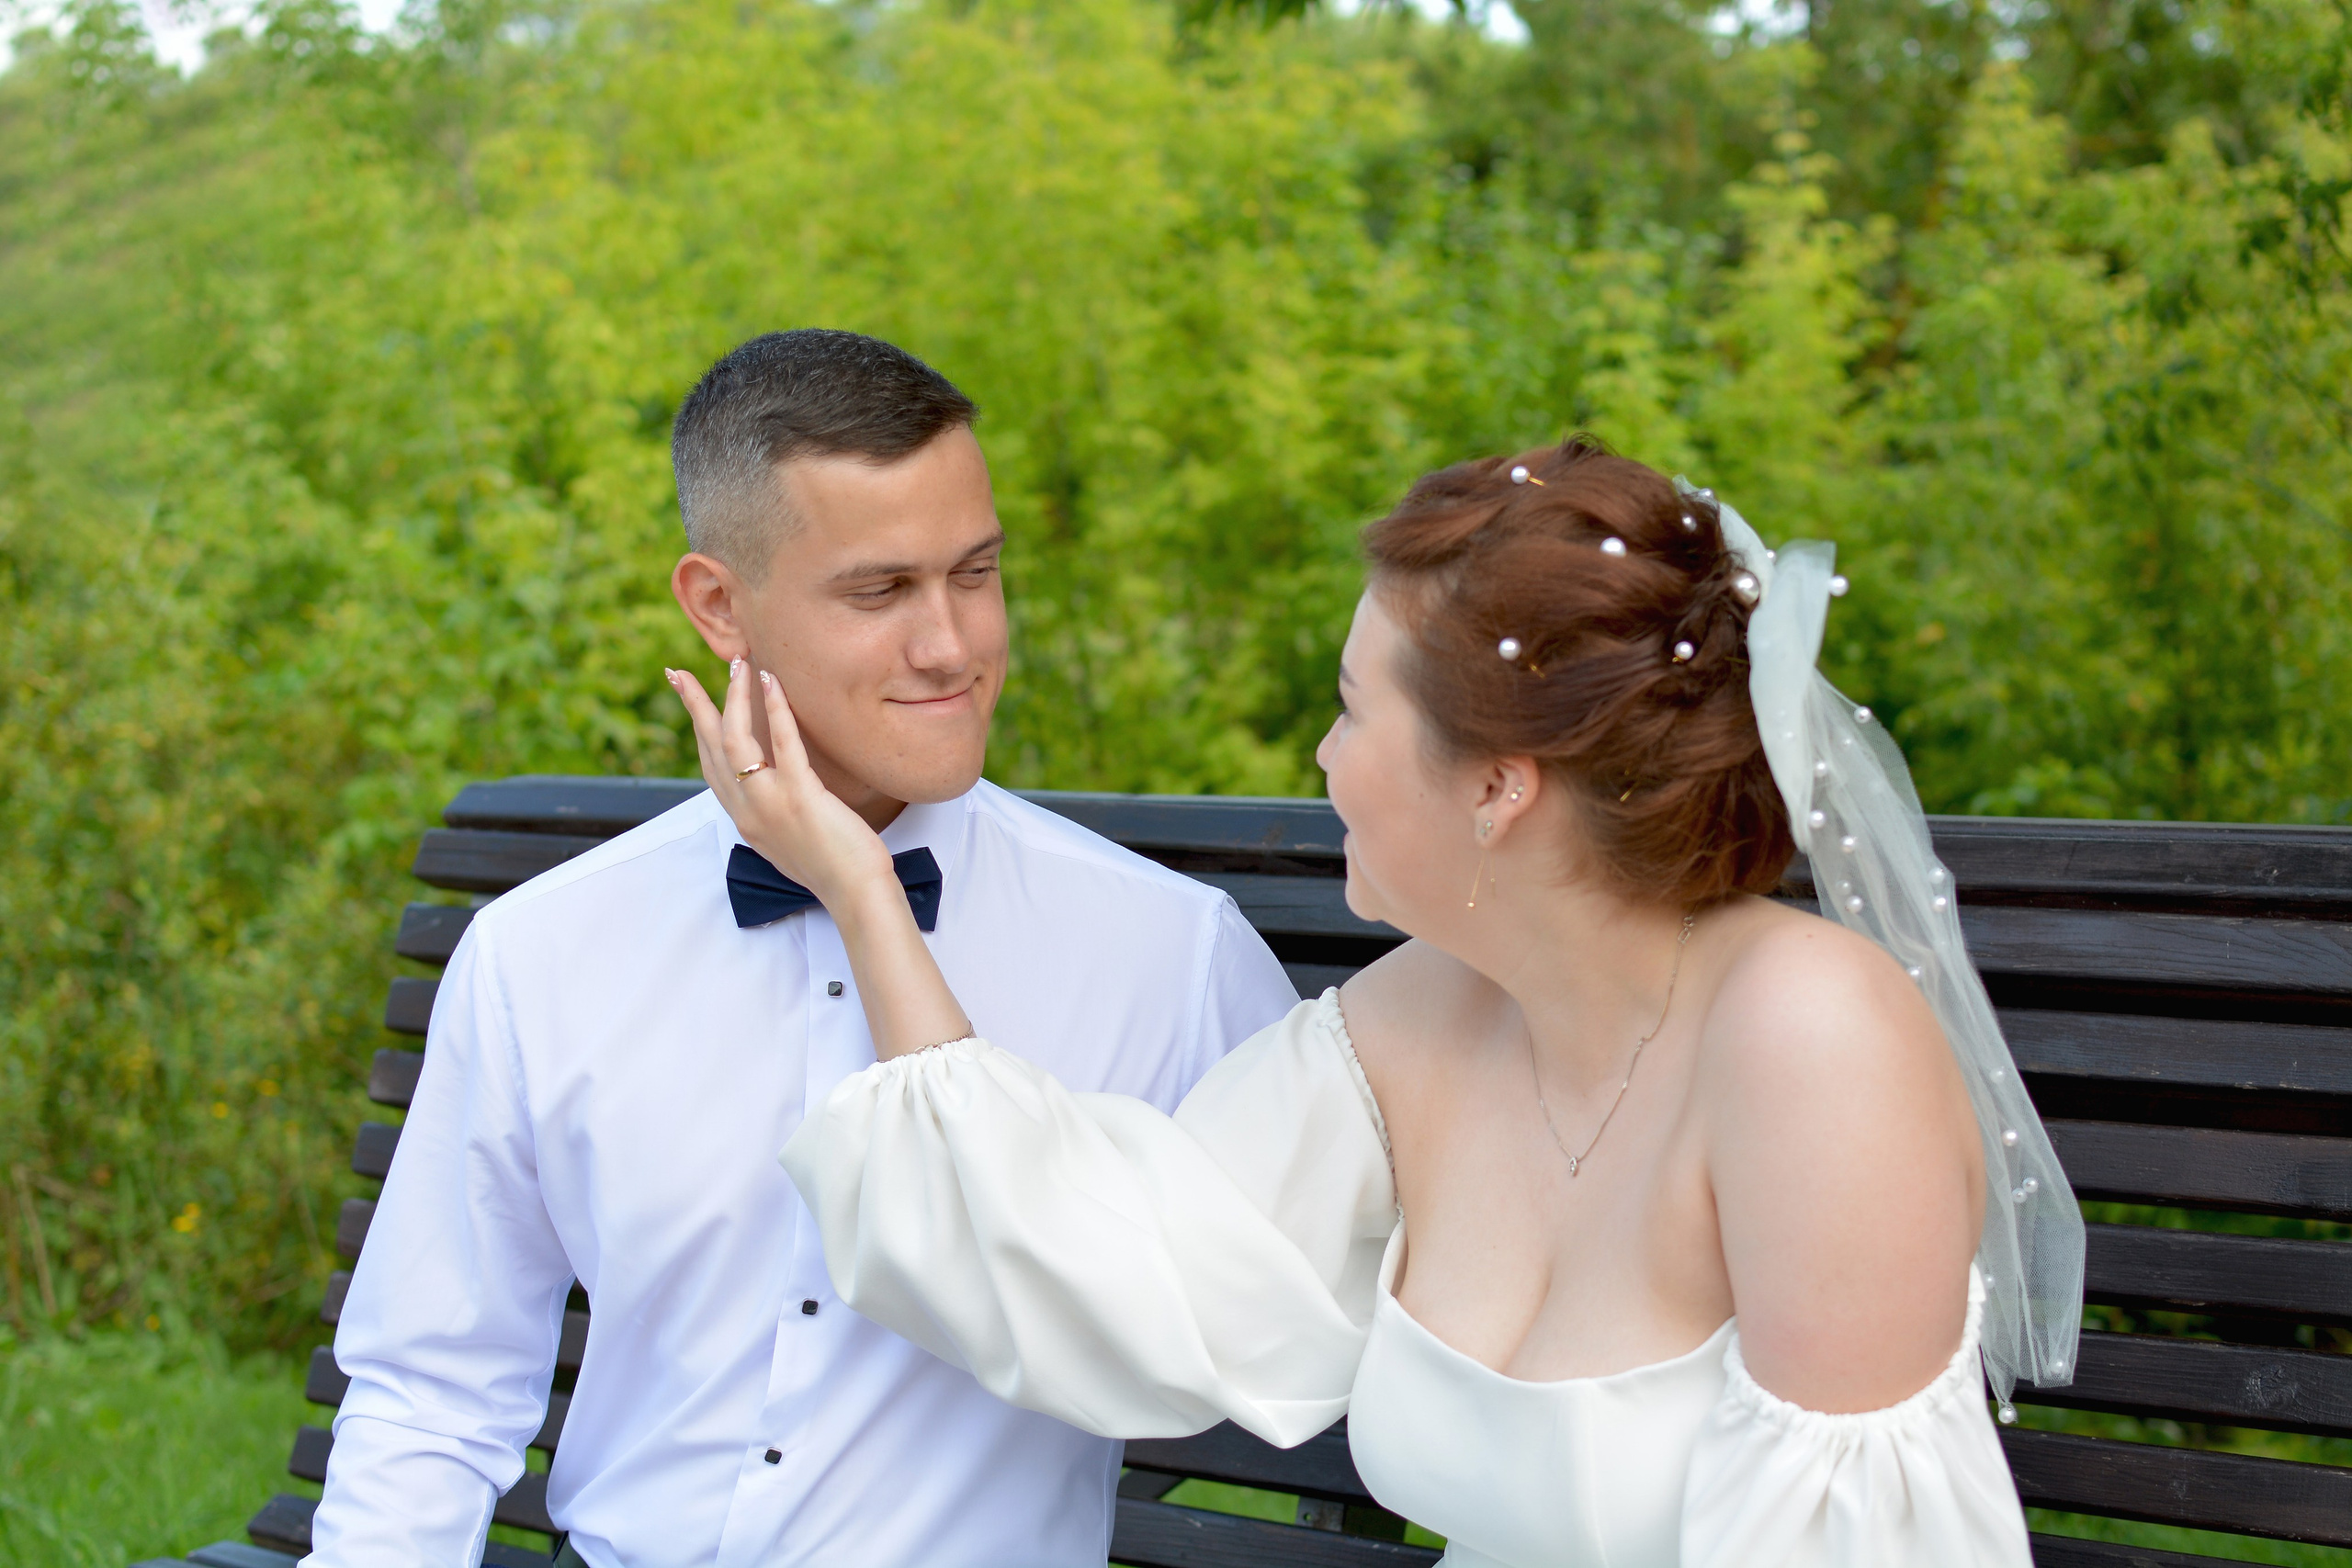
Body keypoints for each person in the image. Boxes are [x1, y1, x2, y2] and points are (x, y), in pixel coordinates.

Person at [675, 438, 2086, 1566]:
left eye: (1354, 709)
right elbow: (1107, 1271)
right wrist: (863, 892)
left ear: (1496, 787)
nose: (1322, 752)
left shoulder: (1810, 1047)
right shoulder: (1426, 1018)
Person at [309, 330, 1300, 1568]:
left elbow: (1286, 1310)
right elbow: (434, 1388)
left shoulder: (1164, 954)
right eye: (880, 592)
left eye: (976, 574)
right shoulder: (542, 953)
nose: (952, 646)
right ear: (719, 604)